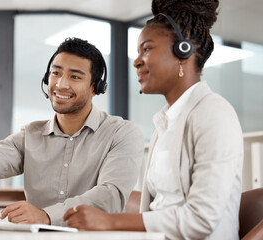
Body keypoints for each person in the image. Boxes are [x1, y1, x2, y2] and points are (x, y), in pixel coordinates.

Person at [63, 0, 244, 239]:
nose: (136, 61)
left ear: (183, 51)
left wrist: (111, 221)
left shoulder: (213, 113)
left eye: (146, 49)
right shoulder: (165, 123)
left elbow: (201, 219)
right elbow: (152, 210)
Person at [0, 37, 145, 226]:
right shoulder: (31, 134)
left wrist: (46, 216)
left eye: (75, 77)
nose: (61, 84)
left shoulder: (122, 134)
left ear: (96, 87)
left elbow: (109, 195)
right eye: (56, 73)